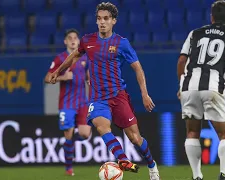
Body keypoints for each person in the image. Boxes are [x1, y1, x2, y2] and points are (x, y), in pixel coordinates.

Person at [47, 2, 160, 180]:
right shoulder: (88, 40)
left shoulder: (121, 43)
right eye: (99, 18)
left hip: (118, 96)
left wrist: (144, 94)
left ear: (114, 20)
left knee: (135, 138)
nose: (102, 22)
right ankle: (122, 159)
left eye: (106, 18)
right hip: (98, 98)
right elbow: (74, 56)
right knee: (101, 126)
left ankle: (152, 166)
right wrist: (58, 71)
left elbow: (138, 69)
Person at [177, 1, 225, 180]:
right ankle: (224, 175)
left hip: (189, 86)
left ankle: (197, 176)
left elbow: (181, 61)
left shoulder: (194, 34)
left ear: (212, 17)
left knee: (192, 132)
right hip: (213, 87)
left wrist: (181, 86)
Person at [44, 29, 91, 176]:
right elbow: (47, 78)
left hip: (83, 102)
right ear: (65, 41)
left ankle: (69, 144)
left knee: (85, 134)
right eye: (69, 38)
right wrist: (62, 77)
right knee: (68, 134)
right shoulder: (60, 59)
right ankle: (68, 168)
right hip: (67, 104)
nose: (72, 40)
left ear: (78, 41)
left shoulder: (84, 58)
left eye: (75, 38)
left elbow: (89, 77)